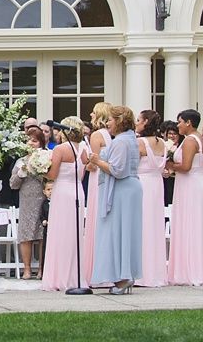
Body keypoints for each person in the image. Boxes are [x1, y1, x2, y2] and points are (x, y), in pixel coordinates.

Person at [86, 105, 142, 294]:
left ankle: (123, 277)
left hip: (122, 189)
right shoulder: (130, 139)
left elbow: (117, 170)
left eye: (110, 119)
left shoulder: (120, 142)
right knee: (123, 232)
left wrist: (96, 160)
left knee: (119, 232)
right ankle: (124, 275)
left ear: (119, 121)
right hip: (128, 188)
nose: (107, 123)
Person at [166, 109, 203, 286]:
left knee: (188, 223)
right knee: (196, 224)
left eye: (179, 121)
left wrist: (168, 163)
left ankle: (188, 271)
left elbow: (186, 166)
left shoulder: (189, 141)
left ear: (188, 122)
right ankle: (197, 269)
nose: (177, 125)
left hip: (189, 184)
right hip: (198, 183)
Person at [42, 117, 87, 292]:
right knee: (74, 234)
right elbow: (81, 175)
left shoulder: (60, 149)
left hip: (61, 192)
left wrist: (39, 169)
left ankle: (58, 277)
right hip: (77, 191)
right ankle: (74, 277)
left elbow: (52, 175)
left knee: (60, 233)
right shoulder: (83, 149)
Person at [135, 109, 167, 287]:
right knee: (153, 225)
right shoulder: (162, 142)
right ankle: (155, 272)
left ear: (146, 122)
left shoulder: (139, 142)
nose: (136, 123)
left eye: (139, 120)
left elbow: (131, 164)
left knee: (142, 225)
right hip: (156, 184)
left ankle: (142, 273)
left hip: (143, 184)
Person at [10, 125, 47, 279]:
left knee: (42, 234)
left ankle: (42, 269)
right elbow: (13, 184)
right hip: (26, 199)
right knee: (26, 234)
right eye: (29, 141)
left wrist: (39, 168)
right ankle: (26, 269)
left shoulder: (47, 156)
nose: (31, 144)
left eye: (35, 141)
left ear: (41, 143)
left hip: (43, 198)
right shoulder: (20, 161)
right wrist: (22, 172)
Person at [82, 101, 112, 285]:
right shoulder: (113, 135)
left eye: (93, 113)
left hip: (97, 179)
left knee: (95, 220)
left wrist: (85, 163)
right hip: (109, 178)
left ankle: (94, 270)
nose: (91, 116)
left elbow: (93, 164)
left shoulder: (97, 135)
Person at [160, 120, 180, 205]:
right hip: (164, 180)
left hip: (178, 179)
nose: (172, 136)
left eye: (175, 134)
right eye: (170, 134)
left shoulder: (181, 146)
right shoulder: (162, 145)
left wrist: (172, 170)